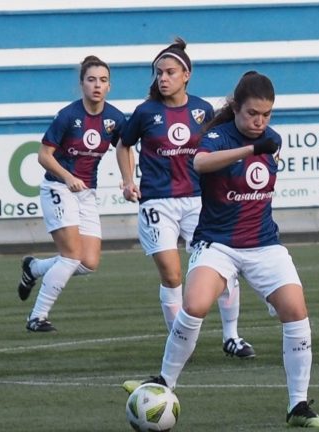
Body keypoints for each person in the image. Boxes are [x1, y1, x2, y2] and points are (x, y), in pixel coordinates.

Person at [124, 71, 319, 428]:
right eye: (252, 113)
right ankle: (163, 382)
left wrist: (262, 144)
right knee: (195, 304)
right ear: (236, 107)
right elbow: (200, 164)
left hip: (264, 244)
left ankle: (297, 406)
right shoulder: (217, 137)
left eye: (266, 115)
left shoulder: (273, 139)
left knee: (297, 313)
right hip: (217, 243)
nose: (259, 121)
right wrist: (251, 148)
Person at [115, 37, 255, 358]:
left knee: (222, 267)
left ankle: (231, 336)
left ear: (186, 75)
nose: (162, 79)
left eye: (169, 73)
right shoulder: (145, 112)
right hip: (157, 202)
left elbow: (218, 147)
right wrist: (127, 180)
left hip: (198, 201)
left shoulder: (202, 110)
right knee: (172, 273)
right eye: (159, 73)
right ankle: (180, 341)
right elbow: (124, 144)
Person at [16, 56, 126, 332]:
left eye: (102, 80)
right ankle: (36, 317)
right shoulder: (68, 116)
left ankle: (35, 269)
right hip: (57, 186)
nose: (97, 85)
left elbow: (124, 147)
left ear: (109, 86)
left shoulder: (114, 118)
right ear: (82, 84)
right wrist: (67, 177)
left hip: (86, 193)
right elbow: (43, 156)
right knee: (72, 255)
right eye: (91, 80)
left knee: (89, 262)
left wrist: (127, 181)